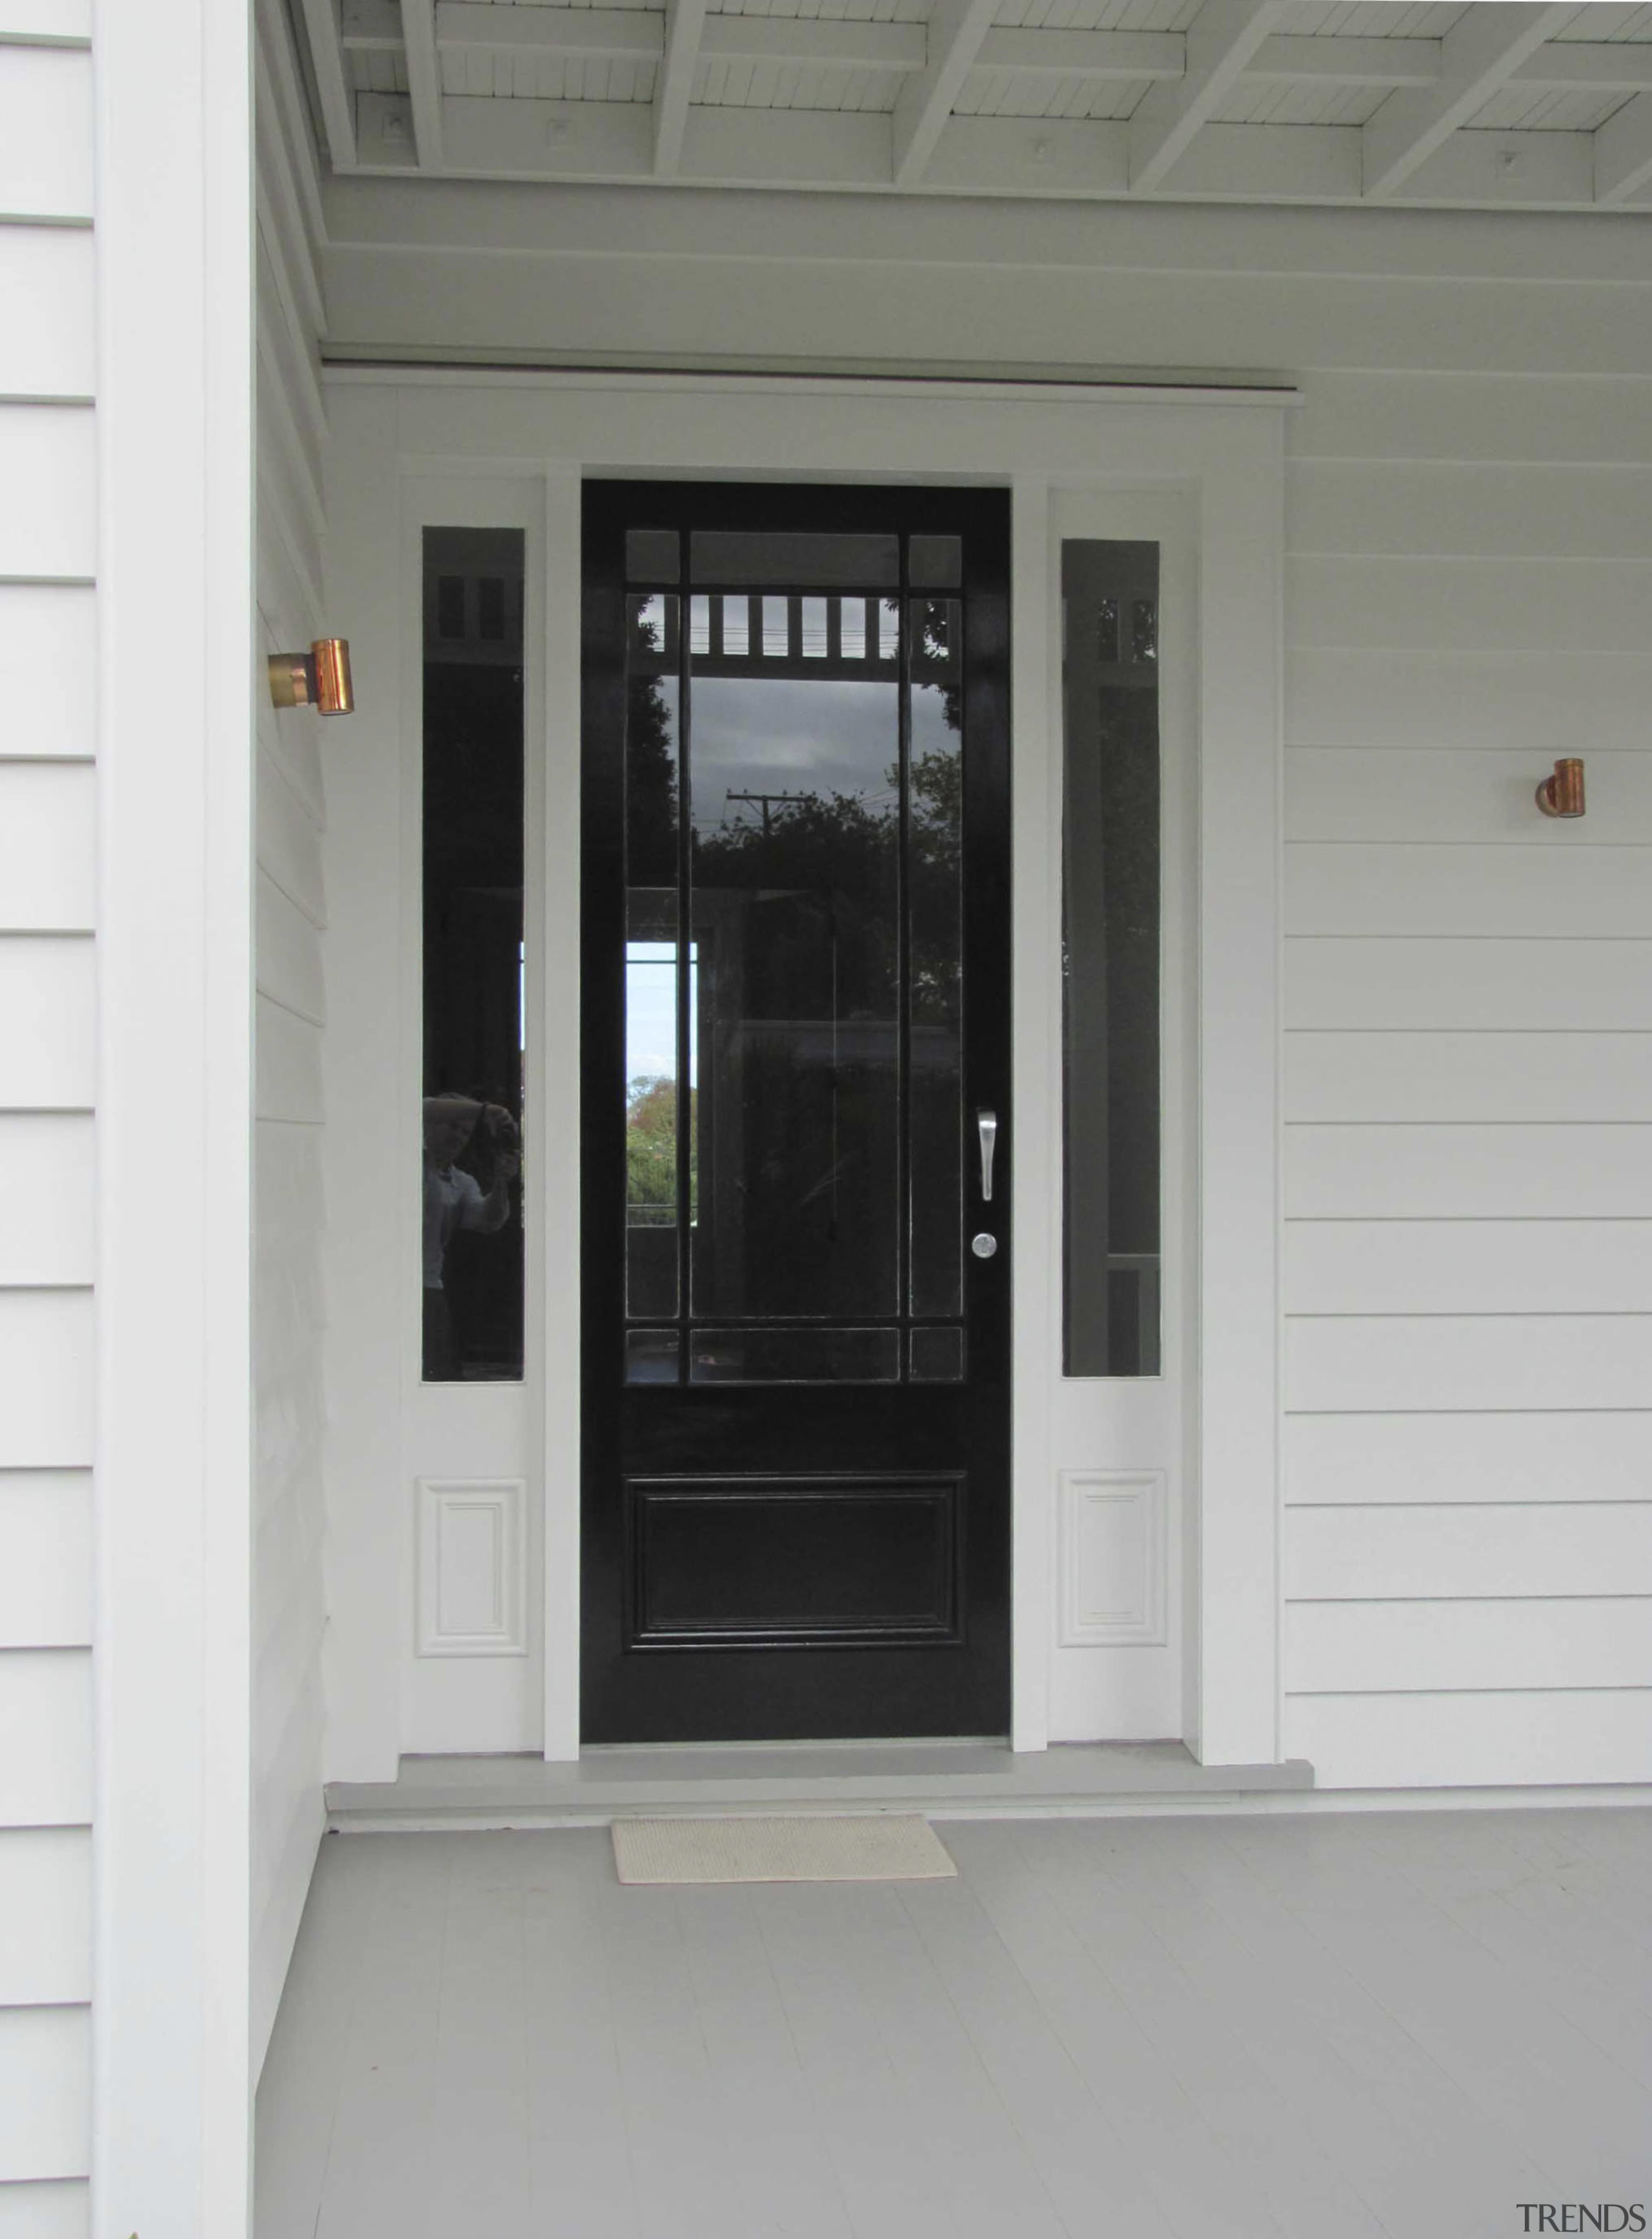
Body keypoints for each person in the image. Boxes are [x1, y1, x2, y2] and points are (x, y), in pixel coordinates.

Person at [423, 1093, 519, 1378]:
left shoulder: (461, 1182)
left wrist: (502, 1182)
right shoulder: (402, 1156)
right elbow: (422, 1107)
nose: (458, 1136)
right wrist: (484, 1110)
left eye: (465, 1132)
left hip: (429, 1285)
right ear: (431, 1126)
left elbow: (488, 1221)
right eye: (452, 1126)